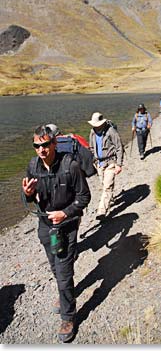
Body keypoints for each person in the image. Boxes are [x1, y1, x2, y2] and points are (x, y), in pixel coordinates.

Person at [22, 125, 91, 342]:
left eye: (45, 144)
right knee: (55, 267)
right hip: (45, 227)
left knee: (62, 272)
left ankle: (68, 317)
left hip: (67, 225)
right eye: (37, 146)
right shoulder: (33, 166)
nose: (41, 149)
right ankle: (66, 293)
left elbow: (84, 197)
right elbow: (30, 197)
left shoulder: (70, 165)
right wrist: (28, 194)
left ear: (54, 143)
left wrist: (65, 213)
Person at [88, 112, 123, 220]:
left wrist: (119, 164)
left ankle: (101, 212)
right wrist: (94, 159)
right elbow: (91, 147)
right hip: (99, 164)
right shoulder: (92, 132)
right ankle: (110, 199)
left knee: (107, 187)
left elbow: (119, 147)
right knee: (105, 185)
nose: (95, 126)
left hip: (110, 162)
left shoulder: (110, 131)